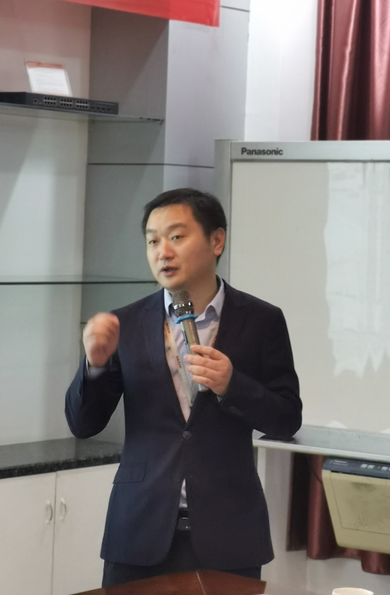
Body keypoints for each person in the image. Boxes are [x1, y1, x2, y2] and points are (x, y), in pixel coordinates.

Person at [65, 188, 302, 586]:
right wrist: (95, 365)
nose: (163, 252)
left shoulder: (262, 320)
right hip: (138, 532)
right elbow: (83, 424)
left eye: (176, 237)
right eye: (152, 241)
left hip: (230, 535)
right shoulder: (125, 323)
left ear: (216, 241)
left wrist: (233, 385)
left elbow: (287, 418)